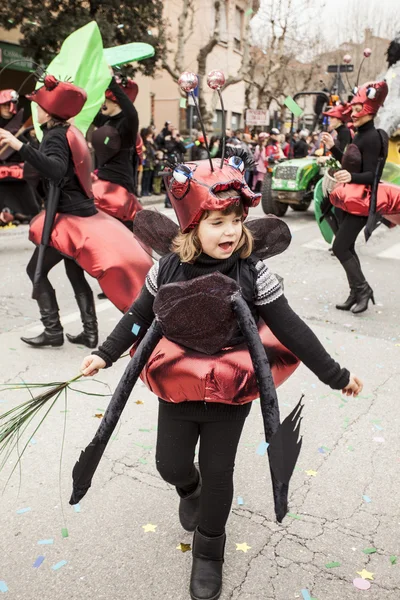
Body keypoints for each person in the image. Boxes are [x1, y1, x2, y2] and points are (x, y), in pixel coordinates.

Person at [80, 151, 362, 600]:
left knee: (218, 471)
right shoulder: (166, 267)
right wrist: (106, 353)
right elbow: (137, 317)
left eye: (236, 219)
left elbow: (291, 327)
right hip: (178, 380)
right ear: (192, 226)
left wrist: (335, 374)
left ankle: (210, 550)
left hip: (230, 385)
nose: (231, 231)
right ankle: (186, 489)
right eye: (218, 222)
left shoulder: (252, 272)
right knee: (170, 464)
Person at [321, 81, 389, 313]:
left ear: (370, 109)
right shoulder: (358, 135)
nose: (353, 113)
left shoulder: (373, 137)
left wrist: (350, 176)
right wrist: (333, 148)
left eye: (358, 109)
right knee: (347, 247)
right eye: (353, 109)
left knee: (340, 247)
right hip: (348, 199)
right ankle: (355, 293)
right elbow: (350, 165)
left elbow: (371, 175)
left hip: (362, 202)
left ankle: (363, 290)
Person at [91, 73, 142, 227]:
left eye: (105, 101)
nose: (101, 105)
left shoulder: (128, 125)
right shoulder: (104, 120)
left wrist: (112, 83)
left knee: (121, 228)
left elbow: (132, 113)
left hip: (119, 184)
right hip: (102, 179)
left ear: (116, 102)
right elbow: (87, 106)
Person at [0, 89, 41, 223]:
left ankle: (24, 214)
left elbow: (31, 151)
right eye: (4, 105)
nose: (7, 108)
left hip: (19, 174)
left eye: (9, 104)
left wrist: (21, 141)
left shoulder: (22, 129)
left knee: (31, 209)